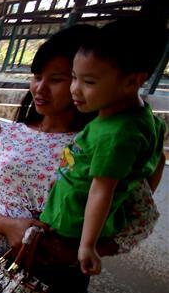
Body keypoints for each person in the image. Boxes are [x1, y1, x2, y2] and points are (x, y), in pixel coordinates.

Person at [0, 25, 161, 293]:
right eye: (37, 76)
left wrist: (77, 251)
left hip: (54, 289)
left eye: (58, 79)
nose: (40, 88)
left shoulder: (102, 147)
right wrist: (7, 226)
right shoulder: (6, 134)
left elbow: (139, 221)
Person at [38, 19, 167, 276]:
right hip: (70, 219)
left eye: (89, 82)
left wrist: (87, 245)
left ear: (132, 81)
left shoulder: (117, 134)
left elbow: (101, 190)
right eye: (74, 77)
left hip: (69, 229)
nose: (75, 89)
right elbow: (157, 163)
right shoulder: (143, 119)